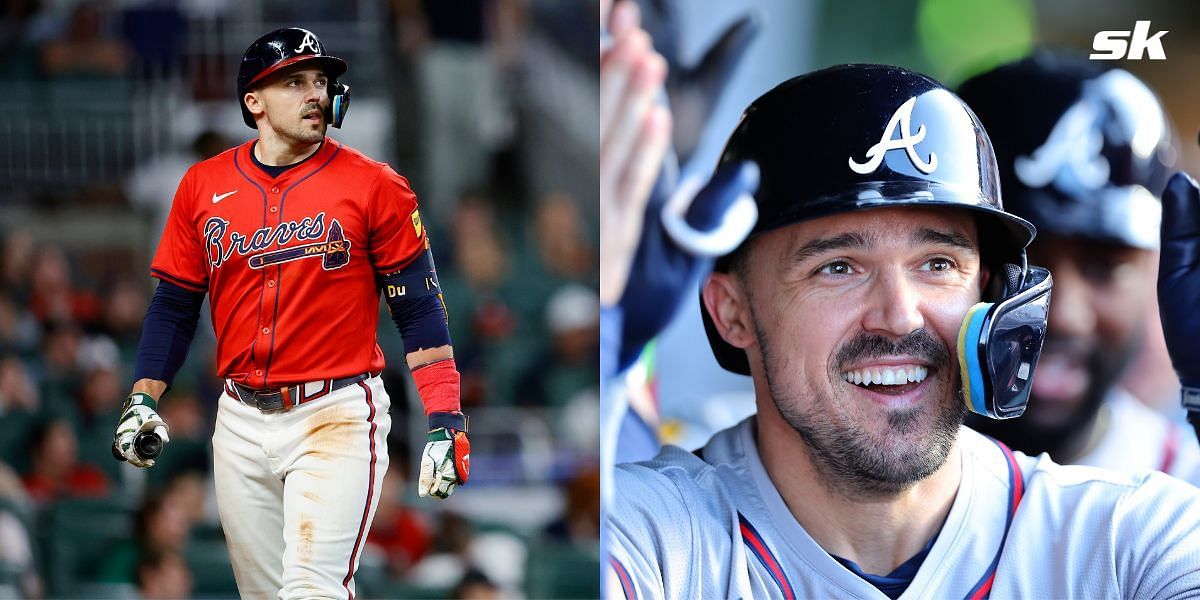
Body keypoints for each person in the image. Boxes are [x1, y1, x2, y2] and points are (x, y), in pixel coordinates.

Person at [605, 65, 1200, 598]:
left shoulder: (1130, 538)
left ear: (991, 294)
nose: (901, 315)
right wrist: (608, 359)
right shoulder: (656, 535)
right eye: (837, 267)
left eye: (938, 264)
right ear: (731, 311)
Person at [109, 27, 470, 599]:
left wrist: (446, 418)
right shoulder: (203, 185)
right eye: (295, 81)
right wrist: (143, 398)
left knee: (310, 590)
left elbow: (420, 310)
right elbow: (174, 306)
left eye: (322, 81)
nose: (315, 94)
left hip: (336, 412)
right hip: (239, 419)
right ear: (253, 101)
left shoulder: (375, 186)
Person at [957, 53, 1200, 482]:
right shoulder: (838, 488)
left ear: (1155, 270)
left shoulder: (1186, 497)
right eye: (1018, 260)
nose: (1063, 314)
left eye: (1105, 267)